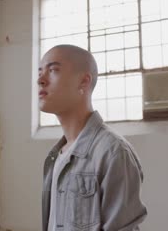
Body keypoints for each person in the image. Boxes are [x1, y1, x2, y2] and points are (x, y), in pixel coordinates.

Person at [38, 44, 147, 231]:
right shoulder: (55, 156)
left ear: (84, 81)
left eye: (53, 70)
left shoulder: (113, 152)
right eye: (40, 72)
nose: (41, 79)